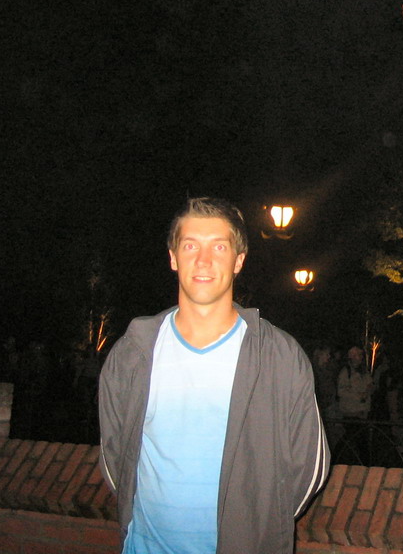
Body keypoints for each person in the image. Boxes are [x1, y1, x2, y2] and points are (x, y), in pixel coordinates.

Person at [99, 198, 330, 554]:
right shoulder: (133, 353)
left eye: (219, 247)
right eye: (190, 245)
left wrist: (257, 528)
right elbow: (117, 458)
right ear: (173, 257)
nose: (203, 260)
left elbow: (308, 469)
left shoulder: (279, 357)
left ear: (239, 260)